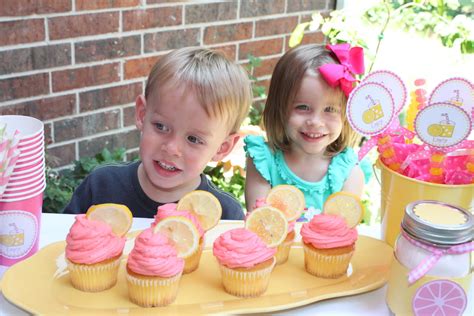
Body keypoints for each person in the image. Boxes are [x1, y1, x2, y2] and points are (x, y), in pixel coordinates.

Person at [64, 47, 252, 219]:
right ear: (142, 114)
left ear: (222, 147)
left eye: (193, 139)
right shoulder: (100, 187)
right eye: (161, 126)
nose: (171, 149)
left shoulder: (225, 216)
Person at [244, 43, 366, 217]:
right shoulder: (263, 161)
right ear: (279, 107)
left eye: (330, 109)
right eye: (303, 107)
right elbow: (262, 223)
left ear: (346, 114)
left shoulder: (349, 174)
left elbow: (340, 233)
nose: (315, 122)